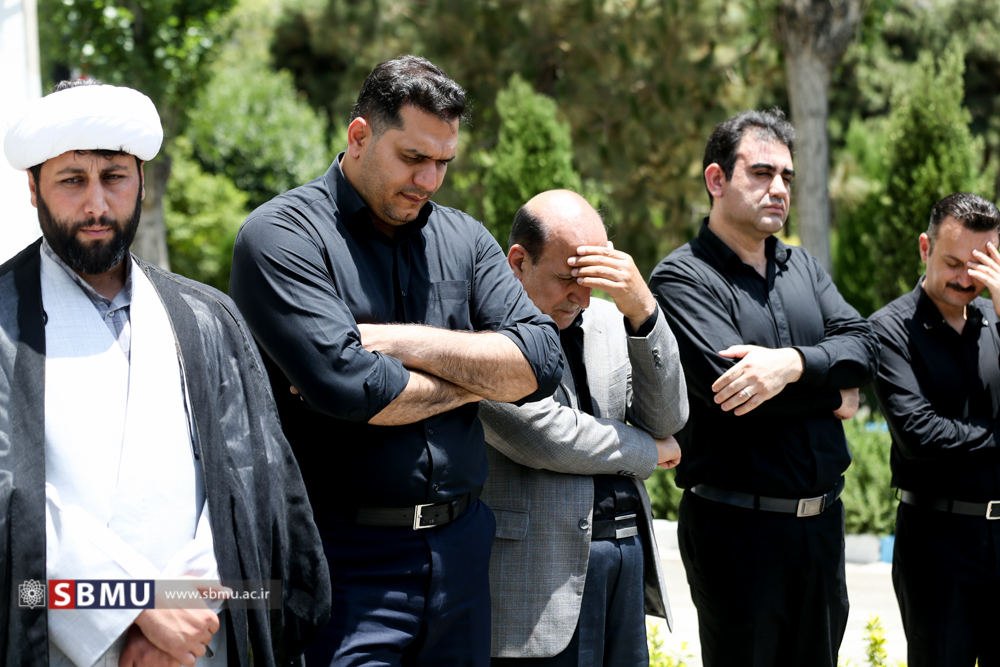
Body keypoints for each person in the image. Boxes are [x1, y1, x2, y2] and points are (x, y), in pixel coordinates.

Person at [229, 56, 563, 667]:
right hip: (342, 559)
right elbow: (352, 389)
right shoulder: (281, 236)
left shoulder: (466, 238)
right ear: (360, 136)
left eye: (444, 162)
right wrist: (483, 376)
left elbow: (541, 363)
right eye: (413, 157)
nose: (430, 179)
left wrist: (398, 343)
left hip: (462, 551)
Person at [0, 80, 330, 666]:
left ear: (143, 181)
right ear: (33, 187)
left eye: (114, 177)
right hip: (57, 644)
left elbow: (250, 482)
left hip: (199, 637)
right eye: (72, 180)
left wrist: (179, 616)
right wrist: (133, 612)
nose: (96, 204)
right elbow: (10, 499)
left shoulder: (206, 317)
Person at [647, 108, 880, 667]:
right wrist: (832, 392)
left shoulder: (805, 269)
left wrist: (791, 365)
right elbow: (733, 394)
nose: (779, 188)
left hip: (822, 529)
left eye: (787, 176)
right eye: (761, 173)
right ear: (716, 179)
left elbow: (865, 347)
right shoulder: (682, 278)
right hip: (738, 533)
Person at [478, 190, 688, 667]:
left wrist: (643, 311)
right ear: (519, 261)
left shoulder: (611, 320)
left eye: (592, 279)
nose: (583, 297)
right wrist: (648, 451)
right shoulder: (482, 330)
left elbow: (668, 419)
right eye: (567, 278)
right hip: (538, 578)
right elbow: (542, 435)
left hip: (626, 556)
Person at [869, 193, 1000, 667]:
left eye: (978, 266)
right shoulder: (888, 329)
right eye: (953, 263)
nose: (966, 279)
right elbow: (920, 435)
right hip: (938, 544)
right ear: (925, 248)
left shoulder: (997, 320)